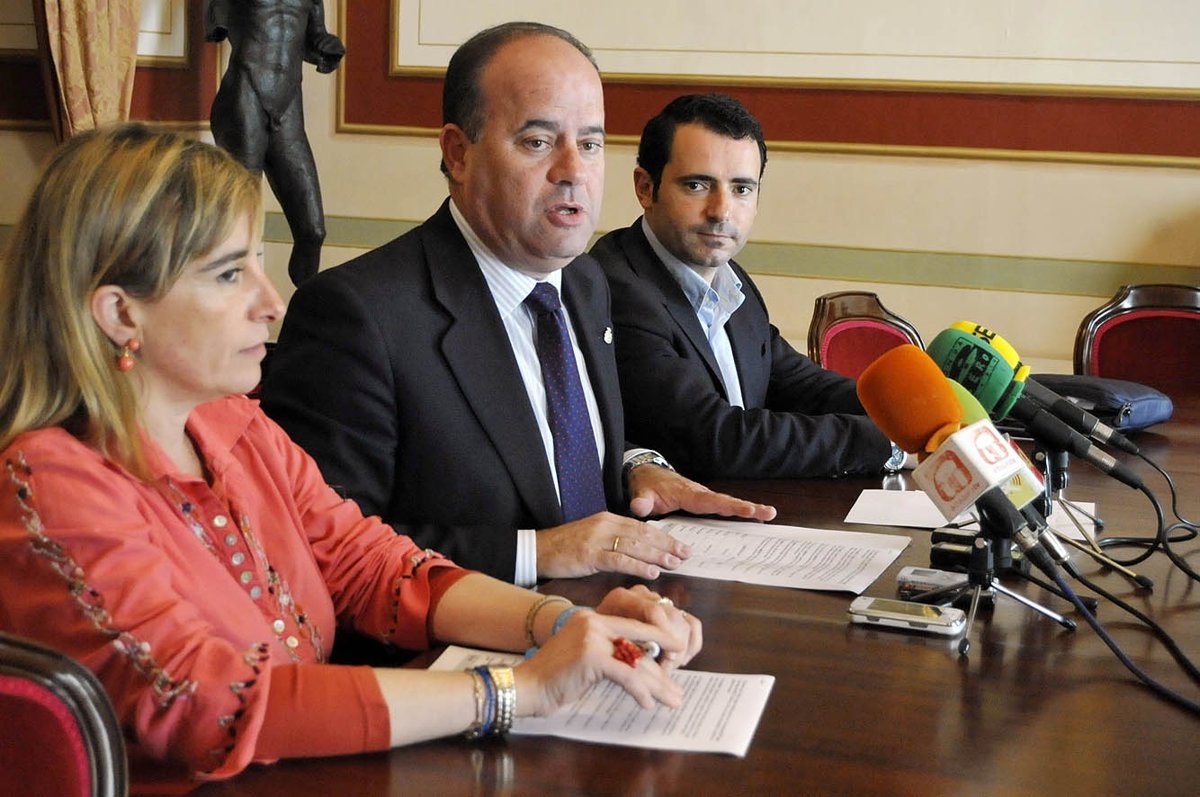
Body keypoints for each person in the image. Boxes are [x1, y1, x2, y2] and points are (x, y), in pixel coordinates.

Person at [0, 123, 701, 781]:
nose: (271, 303)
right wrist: (518, 688)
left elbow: (375, 567)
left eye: (257, 264)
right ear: (120, 313)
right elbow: (213, 703)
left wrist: (563, 622)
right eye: (228, 275)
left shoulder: (230, 423)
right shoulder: (51, 480)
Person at [261, 23, 776, 587]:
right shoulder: (356, 316)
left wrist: (634, 466)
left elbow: (539, 439)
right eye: (537, 142)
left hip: (619, 611)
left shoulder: (585, 282)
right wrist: (536, 552)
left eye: (590, 144)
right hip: (469, 631)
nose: (573, 172)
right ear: (458, 153)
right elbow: (326, 549)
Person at [590, 94, 902, 481]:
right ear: (645, 187)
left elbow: (799, 383)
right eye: (697, 185)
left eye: (741, 189)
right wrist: (886, 442)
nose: (721, 211)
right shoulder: (616, 289)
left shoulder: (730, 279)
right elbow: (715, 439)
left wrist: (907, 412)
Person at [204, 0, 344, 285]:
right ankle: (234, 305)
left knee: (313, 232)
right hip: (244, 97)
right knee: (238, 225)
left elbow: (312, 40)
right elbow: (216, 23)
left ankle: (305, 310)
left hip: (288, 107)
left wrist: (327, 47)